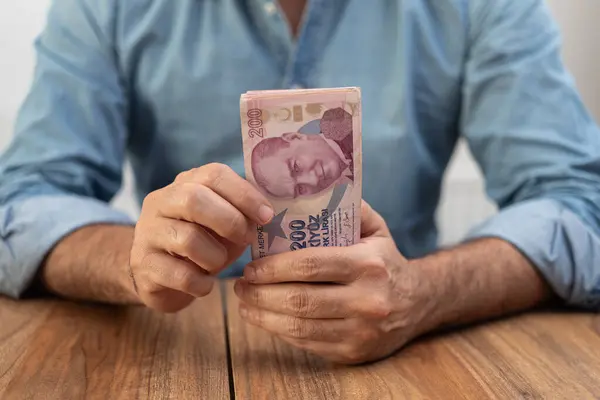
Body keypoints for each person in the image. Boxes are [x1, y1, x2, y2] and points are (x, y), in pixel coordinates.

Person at [1, 0, 599, 365]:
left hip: (407, 354)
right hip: (184, 355)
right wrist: (130, 259)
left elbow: (581, 202)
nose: (311, 179)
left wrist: (424, 292)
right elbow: (21, 200)